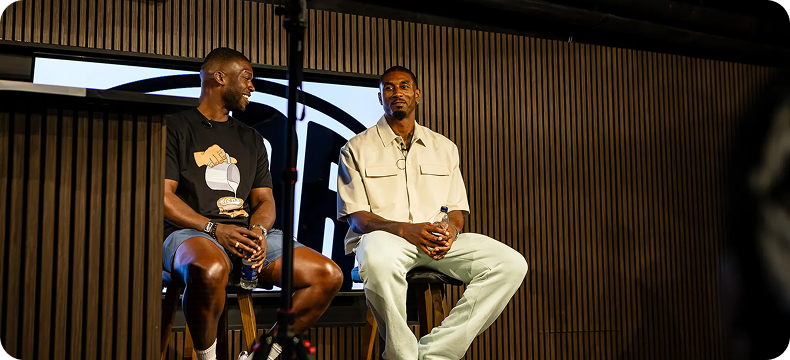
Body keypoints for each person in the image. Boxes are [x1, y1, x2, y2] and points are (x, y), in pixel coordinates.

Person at [336, 65, 529, 360]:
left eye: (403, 86)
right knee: (375, 256)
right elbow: (358, 219)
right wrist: (405, 230)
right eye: (389, 87)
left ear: (417, 94)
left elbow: (456, 213)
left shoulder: (445, 147)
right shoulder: (356, 148)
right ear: (380, 98)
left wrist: (450, 232)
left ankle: (436, 353)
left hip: (437, 243)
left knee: (510, 263)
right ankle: (401, 355)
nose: (397, 93)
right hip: (386, 240)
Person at [163, 47, 343, 360]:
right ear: (220, 77)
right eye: (246, 78)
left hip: (245, 234)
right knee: (210, 269)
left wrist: (258, 230)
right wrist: (214, 229)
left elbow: (265, 199)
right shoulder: (174, 127)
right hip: (189, 232)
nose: (252, 86)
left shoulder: (251, 138)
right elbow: (161, 197)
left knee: (328, 275)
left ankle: (264, 354)